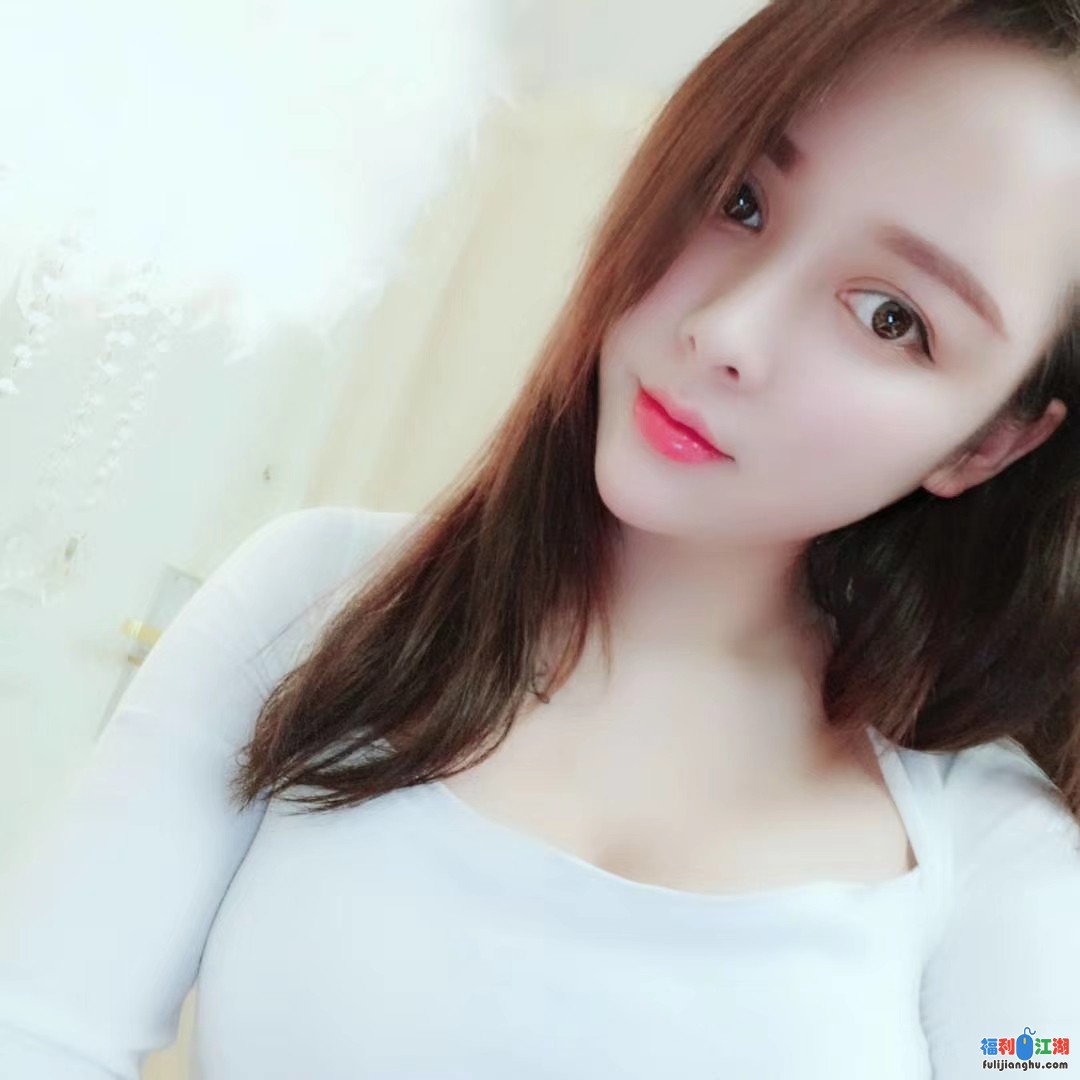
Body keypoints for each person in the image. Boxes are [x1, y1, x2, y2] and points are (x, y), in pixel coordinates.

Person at [2, 1, 1078, 1077]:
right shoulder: (315, 604)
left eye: (892, 318)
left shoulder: (999, 855)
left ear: (989, 443)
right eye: (739, 200)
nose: (728, 330)